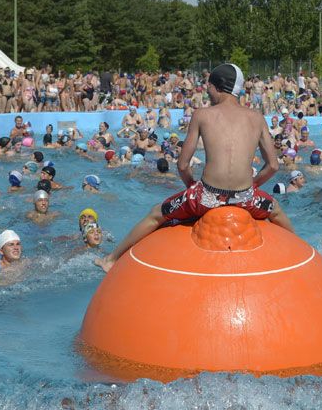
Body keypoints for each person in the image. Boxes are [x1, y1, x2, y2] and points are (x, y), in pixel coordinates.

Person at [95, 64, 292, 273]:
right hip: (245, 198)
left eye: (209, 89)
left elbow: (182, 164)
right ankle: (302, 253)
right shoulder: (257, 117)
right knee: (277, 211)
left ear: (218, 87)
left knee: (155, 214)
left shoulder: (202, 114)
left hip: (206, 197)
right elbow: (273, 165)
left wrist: (192, 187)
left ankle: (111, 259)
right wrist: (252, 186)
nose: (208, 94)